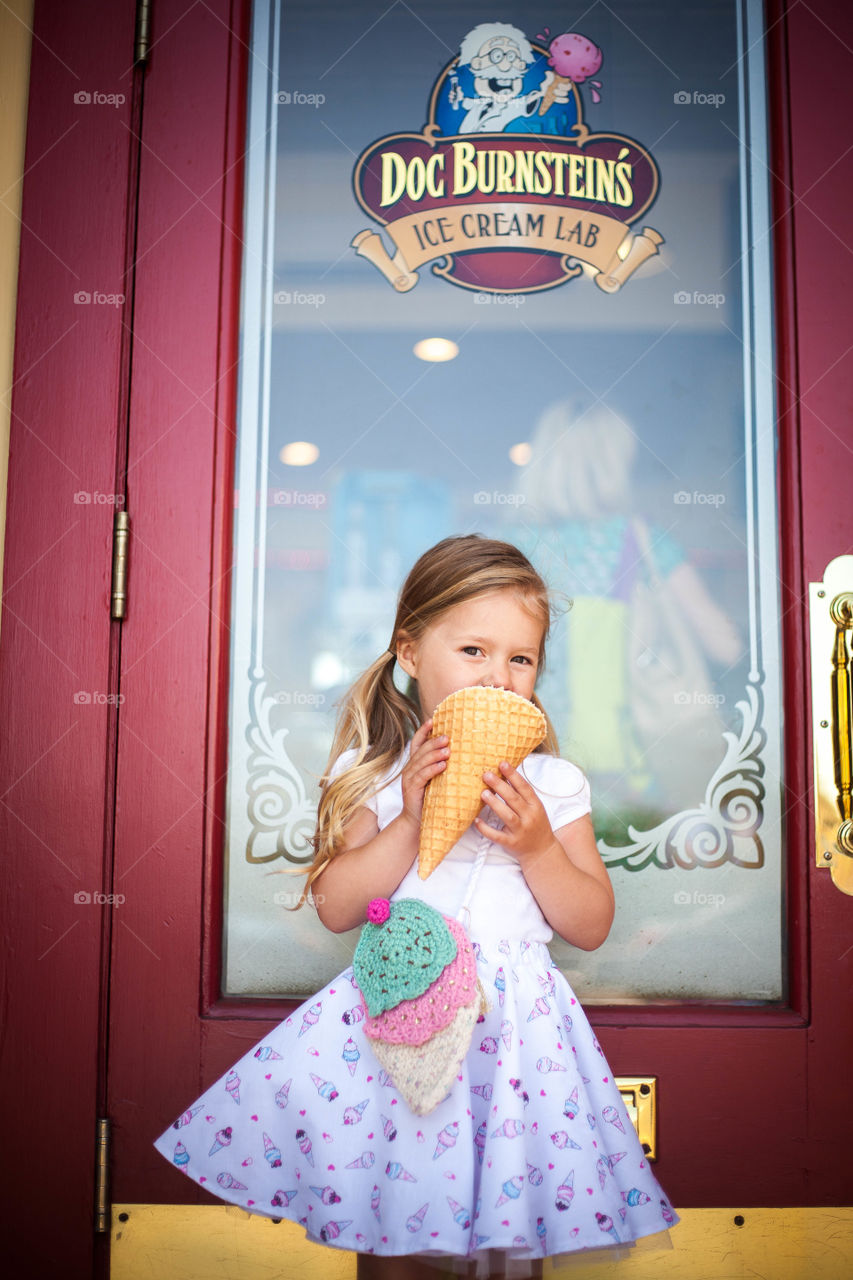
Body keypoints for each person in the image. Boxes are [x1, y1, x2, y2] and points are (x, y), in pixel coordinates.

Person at [152, 535, 679, 1277]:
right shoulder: (371, 771)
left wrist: (535, 848)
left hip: (514, 1038)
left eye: (520, 659)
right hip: (400, 1025)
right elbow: (336, 906)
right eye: (472, 650)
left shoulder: (554, 785)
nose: (499, 676)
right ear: (408, 653)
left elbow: (589, 925)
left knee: (508, 1231)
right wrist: (406, 820)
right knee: (393, 1218)